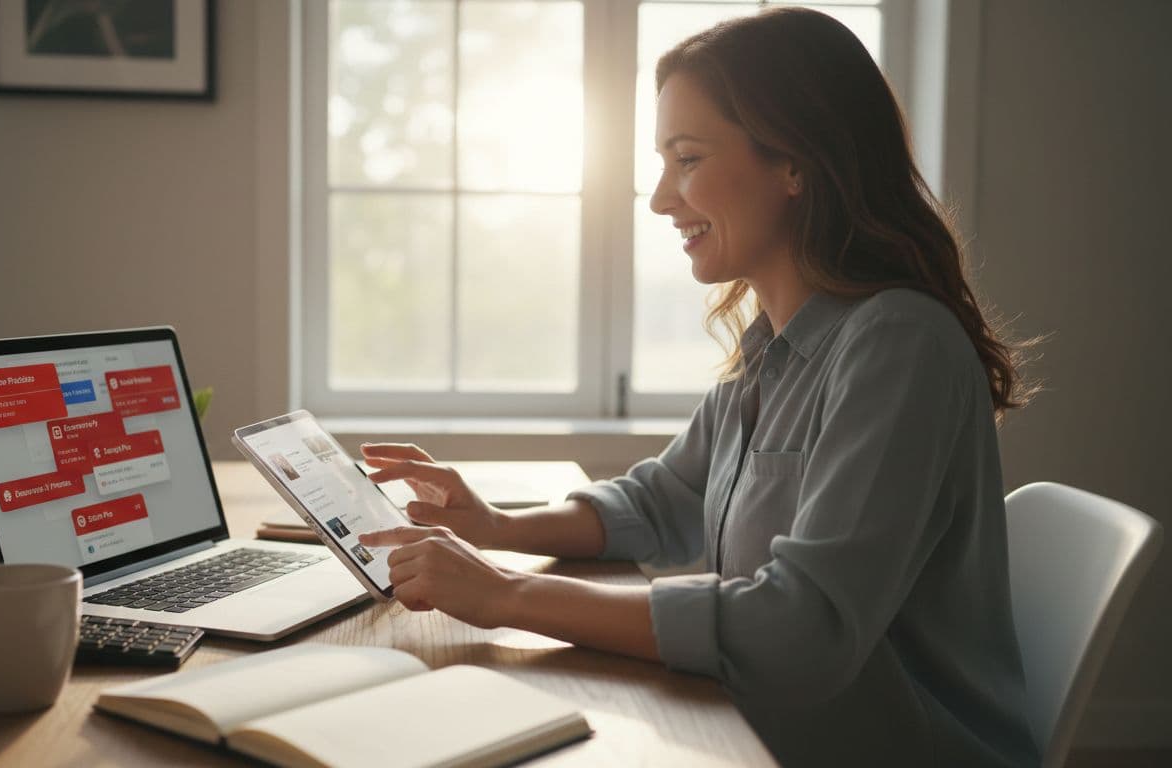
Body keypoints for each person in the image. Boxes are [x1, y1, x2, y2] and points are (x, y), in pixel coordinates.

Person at [357, 8, 1040, 767]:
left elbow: (801, 629)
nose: (658, 199)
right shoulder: (773, 349)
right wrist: (500, 529)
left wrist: (507, 597)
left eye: (686, 159)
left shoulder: (899, 347)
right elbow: (662, 500)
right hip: (764, 731)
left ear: (794, 164)